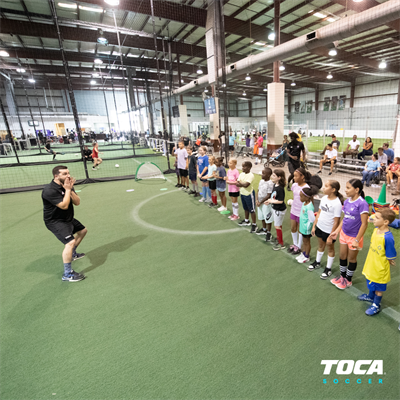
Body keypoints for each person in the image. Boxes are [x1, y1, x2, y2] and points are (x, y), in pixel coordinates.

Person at [42, 165, 87, 282]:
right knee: (70, 242)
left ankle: (72, 254)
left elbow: (77, 202)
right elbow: (64, 206)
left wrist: (70, 189)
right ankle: (67, 274)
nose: (68, 176)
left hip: (67, 218)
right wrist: (67, 190)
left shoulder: (67, 184)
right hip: (55, 221)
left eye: (68, 173)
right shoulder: (49, 190)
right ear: (56, 176)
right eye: (65, 174)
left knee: (82, 231)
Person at [329, 179, 369, 290]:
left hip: (354, 237)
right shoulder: (346, 202)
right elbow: (345, 218)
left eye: (348, 188)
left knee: (351, 259)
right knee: (342, 256)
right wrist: (337, 231)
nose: (345, 190)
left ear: (356, 190)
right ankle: (342, 277)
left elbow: (364, 224)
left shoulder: (362, 203)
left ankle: (348, 280)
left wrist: (357, 240)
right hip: (343, 234)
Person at [358, 208, 396, 316]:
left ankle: (376, 305)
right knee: (370, 279)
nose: (374, 219)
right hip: (371, 263)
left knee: (379, 288)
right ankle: (370, 296)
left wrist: (390, 260)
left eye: (377, 218)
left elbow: (390, 253)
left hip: (380, 268)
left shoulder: (388, 238)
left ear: (386, 222)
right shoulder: (376, 229)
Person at [308, 180, 344, 279]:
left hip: (329, 231)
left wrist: (331, 235)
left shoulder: (337, 203)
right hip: (320, 227)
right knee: (320, 245)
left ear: (333, 189)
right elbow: (319, 213)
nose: (324, 188)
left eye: (326, 186)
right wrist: (314, 226)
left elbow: (336, 221)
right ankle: (317, 262)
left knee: (330, 249)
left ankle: (328, 269)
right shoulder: (323, 198)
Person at [288, 167, 310, 255]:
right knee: (293, 228)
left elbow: (308, 201)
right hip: (294, 210)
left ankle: (299, 247)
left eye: (296, 176)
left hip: (302, 212)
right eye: (294, 176)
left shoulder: (306, 187)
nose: (294, 178)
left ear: (302, 176)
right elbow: (295, 197)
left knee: (300, 230)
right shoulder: (294, 185)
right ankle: (295, 244)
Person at [265, 169, 287, 250]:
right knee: (278, 225)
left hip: (279, 210)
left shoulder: (280, 188)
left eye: (274, 175)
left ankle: (281, 244)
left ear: (279, 177)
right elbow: (274, 197)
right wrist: (269, 201)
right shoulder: (275, 185)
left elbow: (281, 201)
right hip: (276, 208)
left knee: (277, 226)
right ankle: (279, 238)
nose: (272, 176)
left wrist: (271, 201)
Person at [295, 187, 316, 264]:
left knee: (307, 242)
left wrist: (309, 227)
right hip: (302, 227)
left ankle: (307, 256)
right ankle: (303, 253)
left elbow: (312, 219)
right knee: (304, 241)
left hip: (306, 228)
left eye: (301, 196)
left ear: (307, 197)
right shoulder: (304, 203)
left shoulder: (309, 207)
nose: (300, 198)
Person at [235, 161, 257, 233]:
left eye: (244, 166)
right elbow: (237, 183)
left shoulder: (251, 175)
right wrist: (242, 183)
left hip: (249, 194)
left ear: (249, 167)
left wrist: (241, 183)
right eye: (242, 166)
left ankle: (254, 224)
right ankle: (246, 221)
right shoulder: (241, 174)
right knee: (245, 208)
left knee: (252, 210)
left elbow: (246, 185)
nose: (242, 168)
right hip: (242, 193)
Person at [256, 167, 274, 238]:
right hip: (259, 202)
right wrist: (257, 200)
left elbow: (268, 195)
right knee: (262, 216)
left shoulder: (270, 183)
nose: (262, 175)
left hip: (266, 203)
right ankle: (264, 229)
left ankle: (269, 232)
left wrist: (260, 202)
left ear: (268, 175)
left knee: (267, 217)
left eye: (264, 173)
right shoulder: (261, 181)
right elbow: (258, 190)